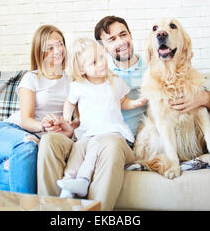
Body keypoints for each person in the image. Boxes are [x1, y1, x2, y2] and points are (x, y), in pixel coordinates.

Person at [37, 16, 210, 210]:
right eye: (112, 39)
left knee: (110, 143)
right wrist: (70, 126)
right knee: (49, 141)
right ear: (103, 47)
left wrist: (202, 98)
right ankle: (51, 210)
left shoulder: (157, 65)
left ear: (131, 36)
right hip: (89, 135)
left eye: (123, 35)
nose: (121, 42)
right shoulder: (94, 70)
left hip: (123, 140)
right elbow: (85, 110)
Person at [0, 25, 74, 194]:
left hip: (33, 143)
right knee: (28, 145)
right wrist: (43, 126)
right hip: (5, 134)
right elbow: (26, 120)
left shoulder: (71, 80)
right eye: (50, 48)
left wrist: (65, 126)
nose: (58, 50)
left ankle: (12, 193)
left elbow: (76, 121)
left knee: (15, 163)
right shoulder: (32, 78)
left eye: (60, 44)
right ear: (40, 52)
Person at [56, 38, 147, 199]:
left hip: (112, 132)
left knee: (94, 146)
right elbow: (69, 103)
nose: (101, 63)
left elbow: (123, 102)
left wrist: (136, 103)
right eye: (94, 62)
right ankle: (69, 182)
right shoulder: (79, 86)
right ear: (82, 69)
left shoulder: (114, 82)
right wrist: (66, 118)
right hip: (89, 132)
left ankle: (83, 180)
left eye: (101, 57)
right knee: (78, 148)